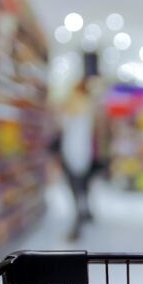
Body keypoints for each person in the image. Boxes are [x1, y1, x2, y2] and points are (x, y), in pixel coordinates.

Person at [59, 78, 97, 241]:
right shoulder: (86, 107)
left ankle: (77, 224)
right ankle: (84, 216)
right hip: (81, 154)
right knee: (82, 189)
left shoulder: (75, 108)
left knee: (76, 191)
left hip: (75, 154)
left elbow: (74, 137)